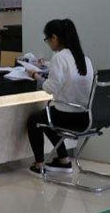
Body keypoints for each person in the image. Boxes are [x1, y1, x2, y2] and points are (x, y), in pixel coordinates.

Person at [26, 19, 93, 176]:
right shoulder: (84, 58)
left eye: (47, 39)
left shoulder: (60, 57)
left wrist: (36, 76)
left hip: (69, 116)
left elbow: (50, 88)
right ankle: (63, 160)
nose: (48, 43)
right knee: (48, 116)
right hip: (86, 116)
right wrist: (48, 66)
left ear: (54, 38)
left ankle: (39, 164)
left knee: (36, 120)